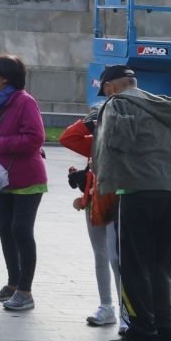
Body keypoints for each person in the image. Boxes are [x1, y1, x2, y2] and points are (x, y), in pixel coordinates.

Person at [93, 63, 171, 341]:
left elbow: (111, 146)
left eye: (105, 90)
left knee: (134, 267)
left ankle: (143, 335)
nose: (105, 96)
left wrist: (104, 183)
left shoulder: (117, 105)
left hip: (136, 192)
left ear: (111, 87)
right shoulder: (163, 110)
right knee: (161, 267)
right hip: (169, 193)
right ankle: (168, 335)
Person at [0, 55, 47, 313]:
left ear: (5, 77)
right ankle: (12, 283)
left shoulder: (24, 102)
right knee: (4, 227)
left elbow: (36, 138)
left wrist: (1, 142)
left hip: (26, 176)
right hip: (4, 175)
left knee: (21, 229)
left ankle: (25, 290)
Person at [59, 98, 120, 329]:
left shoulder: (124, 142)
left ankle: (126, 312)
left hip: (117, 203)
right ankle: (107, 306)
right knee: (101, 255)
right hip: (94, 202)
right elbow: (67, 138)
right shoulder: (94, 142)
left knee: (116, 258)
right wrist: (88, 124)